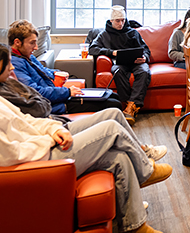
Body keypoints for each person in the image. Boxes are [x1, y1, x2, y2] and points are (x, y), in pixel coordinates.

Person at [0, 93, 172, 233]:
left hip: (45, 140)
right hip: (42, 162)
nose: (12, 67)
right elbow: (13, 155)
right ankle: (145, 171)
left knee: (118, 157)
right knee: (111, 129)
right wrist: (48, 139)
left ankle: (135, 226)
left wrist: (54, 129)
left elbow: (28, 119)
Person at [9, 20, 122, 115]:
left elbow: (44, 71)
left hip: (58, 96)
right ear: (17, 42)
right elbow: (35, 93)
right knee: (113, 103)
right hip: (54, 104)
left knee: (113, 95)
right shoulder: (14, 65)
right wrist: (67, 92)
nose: (36, 47)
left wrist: (55, 73)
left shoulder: (26, 56)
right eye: (32, 43)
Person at [89, 5, 152, 125]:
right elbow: (92, 48)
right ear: (111, 21)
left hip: (137, 63)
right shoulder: (104, 34)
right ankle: (128, 103)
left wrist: (144, 57)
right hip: (120, 63)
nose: (121, 23)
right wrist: (111, 52)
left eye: (123, 20)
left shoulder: (133, 32)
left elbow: (146, 50)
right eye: (118, 21)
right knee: (117, 71)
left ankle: (131, 106)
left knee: (144, 71)